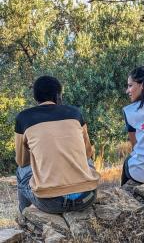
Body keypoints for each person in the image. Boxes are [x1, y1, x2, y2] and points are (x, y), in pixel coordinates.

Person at [15, 76, 99, 214]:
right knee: (88, 159)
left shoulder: (24, 118)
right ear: (58, 96)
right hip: (87, 197)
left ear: (36, 98)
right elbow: (88, 153)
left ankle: (24, 217)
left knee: (21, 171)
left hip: (50, 203)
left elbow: (22, 161)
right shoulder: (75, 113)